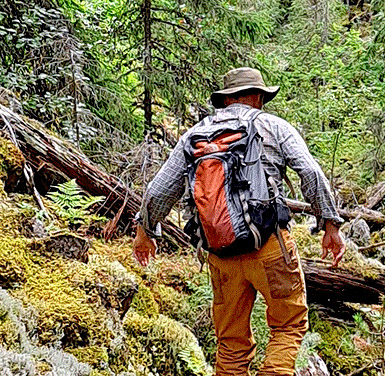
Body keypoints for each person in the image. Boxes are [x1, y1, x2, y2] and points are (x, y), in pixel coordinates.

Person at [132, 67, 345, 376]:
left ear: (227, 98)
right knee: (288, 327)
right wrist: (330, 224)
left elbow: (160, 188)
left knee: (231, 343)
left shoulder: (195, 135)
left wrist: (145, 231)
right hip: (270, 248)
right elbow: (310, 173)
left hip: (221, 255)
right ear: (258, 97)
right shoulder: (274, 127)